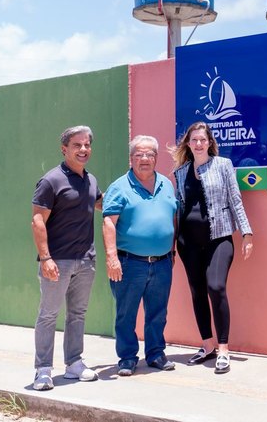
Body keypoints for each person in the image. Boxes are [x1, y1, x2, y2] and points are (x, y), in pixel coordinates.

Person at [171, 121, 254, 374]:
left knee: (216, 287)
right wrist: (172, 243)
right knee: (197, 292)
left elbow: (235, 200)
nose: (198, 144)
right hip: (188, 242)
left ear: (210, 143)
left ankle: (224, 349)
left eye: (203, 140)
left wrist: (247, 233)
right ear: (188, 143)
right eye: (194, 140)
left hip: (219, 238)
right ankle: (208, 346)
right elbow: (178, 208)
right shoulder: (181, 172)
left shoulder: (223, 165)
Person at [30, 126, 102, 391]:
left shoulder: (91, 180)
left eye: (87, 145)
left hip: (86, 260)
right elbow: (38, 220)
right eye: (77, 145)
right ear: (64, 149)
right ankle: (43, 370)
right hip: (57, 260)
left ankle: (74, 364)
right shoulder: (51, 180)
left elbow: (101, 203)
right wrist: (45, 258)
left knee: (77, 314)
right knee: (48, 315)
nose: (83, 149)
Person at [102, 135, 178, 377]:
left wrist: (172, 250)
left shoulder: (166, 184)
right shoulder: (119, 186)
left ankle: (155, 354)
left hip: (162, 262)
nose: (144, 159)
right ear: (131, 158)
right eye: (139, 154)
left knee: (158, 312)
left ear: (156, 158)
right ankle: (127, 358)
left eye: (149, 154)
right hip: (129, 263)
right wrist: (111, 257)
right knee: (126, 314)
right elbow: (109, 222)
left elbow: (172, 218)